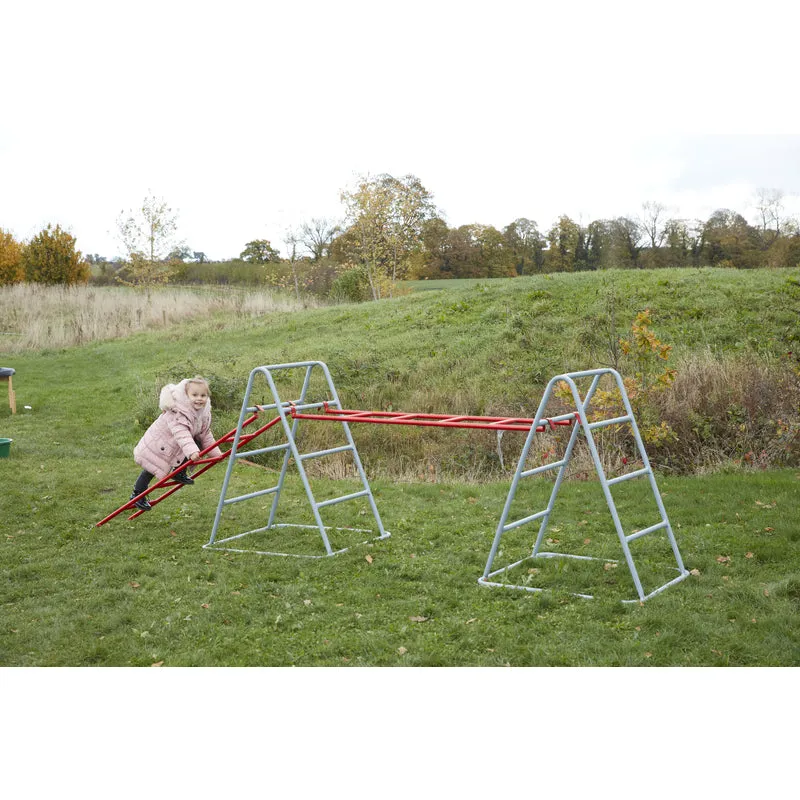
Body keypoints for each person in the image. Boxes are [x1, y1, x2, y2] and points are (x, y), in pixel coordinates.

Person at [130, 376, 223, 511]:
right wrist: (192, 452)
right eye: (195, 395)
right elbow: (182, 434)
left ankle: (179, 472)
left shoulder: (203, 412)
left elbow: (205, 434)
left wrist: (216, 453)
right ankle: (137, 495)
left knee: (196, 440)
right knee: (151, 468)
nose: (199, 398)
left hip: (174, 445)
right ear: (186, 395)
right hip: (158, 443)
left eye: (203, 395)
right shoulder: (177, 411)